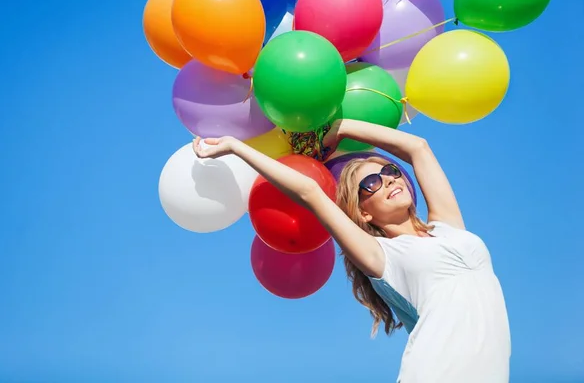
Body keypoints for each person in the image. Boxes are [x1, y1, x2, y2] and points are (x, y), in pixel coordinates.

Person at [192, 118, 511, 383]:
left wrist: (341, 127)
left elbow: (418, 148)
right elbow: (309, 192)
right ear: (363, 213)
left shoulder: (448, 227)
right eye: (371, 183)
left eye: (391, 173)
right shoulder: (382, 255)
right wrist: (236, 147)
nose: (387, 181)